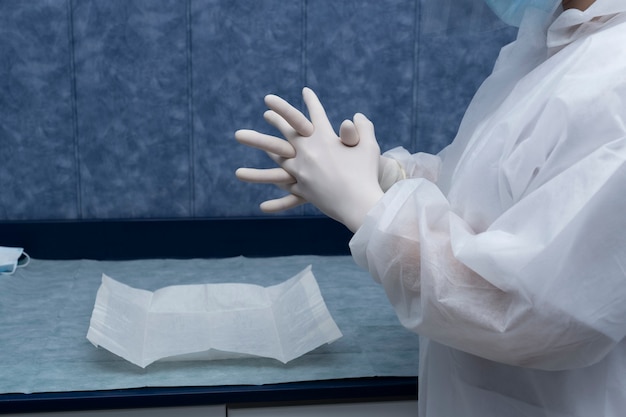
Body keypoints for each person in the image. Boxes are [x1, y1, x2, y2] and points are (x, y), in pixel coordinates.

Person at [235, 0, 626, 415]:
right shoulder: (547, 43)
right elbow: (481, 187)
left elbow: (533, 313)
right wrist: (387, 177)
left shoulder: (614, 77)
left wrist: (368, 206)